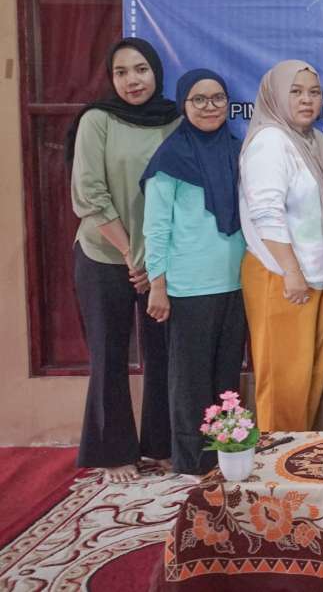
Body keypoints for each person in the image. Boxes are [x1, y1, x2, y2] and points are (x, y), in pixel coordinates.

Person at [68, 38, 180, 483]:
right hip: (104, 255)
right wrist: (132, 254)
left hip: (161, 261)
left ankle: (163, 444)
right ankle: (113, 451)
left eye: (141, 69)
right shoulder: (98, 120)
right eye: (121, 72)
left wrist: (154, 261)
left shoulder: (175, 119)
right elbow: (89, 194)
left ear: (156, 72)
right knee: (109, 351)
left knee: (164, 352)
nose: (133, 80)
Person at [141, 69, 247, 475]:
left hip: (235, 282)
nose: (210, 107)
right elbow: (156, 226)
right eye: (199, 99)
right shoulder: (170, 158)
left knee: (226, 378)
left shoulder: (236, 150)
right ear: (183, 104)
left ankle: (225, 456)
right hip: (188, 287)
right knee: (190, 382)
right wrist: (157, 284)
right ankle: (190, 463)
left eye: (218, 98)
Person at [238, 60, 323, 432]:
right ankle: (275, 460)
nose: (307, 100)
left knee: (308, 381)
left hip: (316, 275)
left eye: (314, 92)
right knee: (283, 386)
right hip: (280, 276)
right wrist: (292, 271)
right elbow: (266, 213)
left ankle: (299, 457)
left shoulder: (314, 142)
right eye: (295, 92)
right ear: (276, 96)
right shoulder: (270, 141)